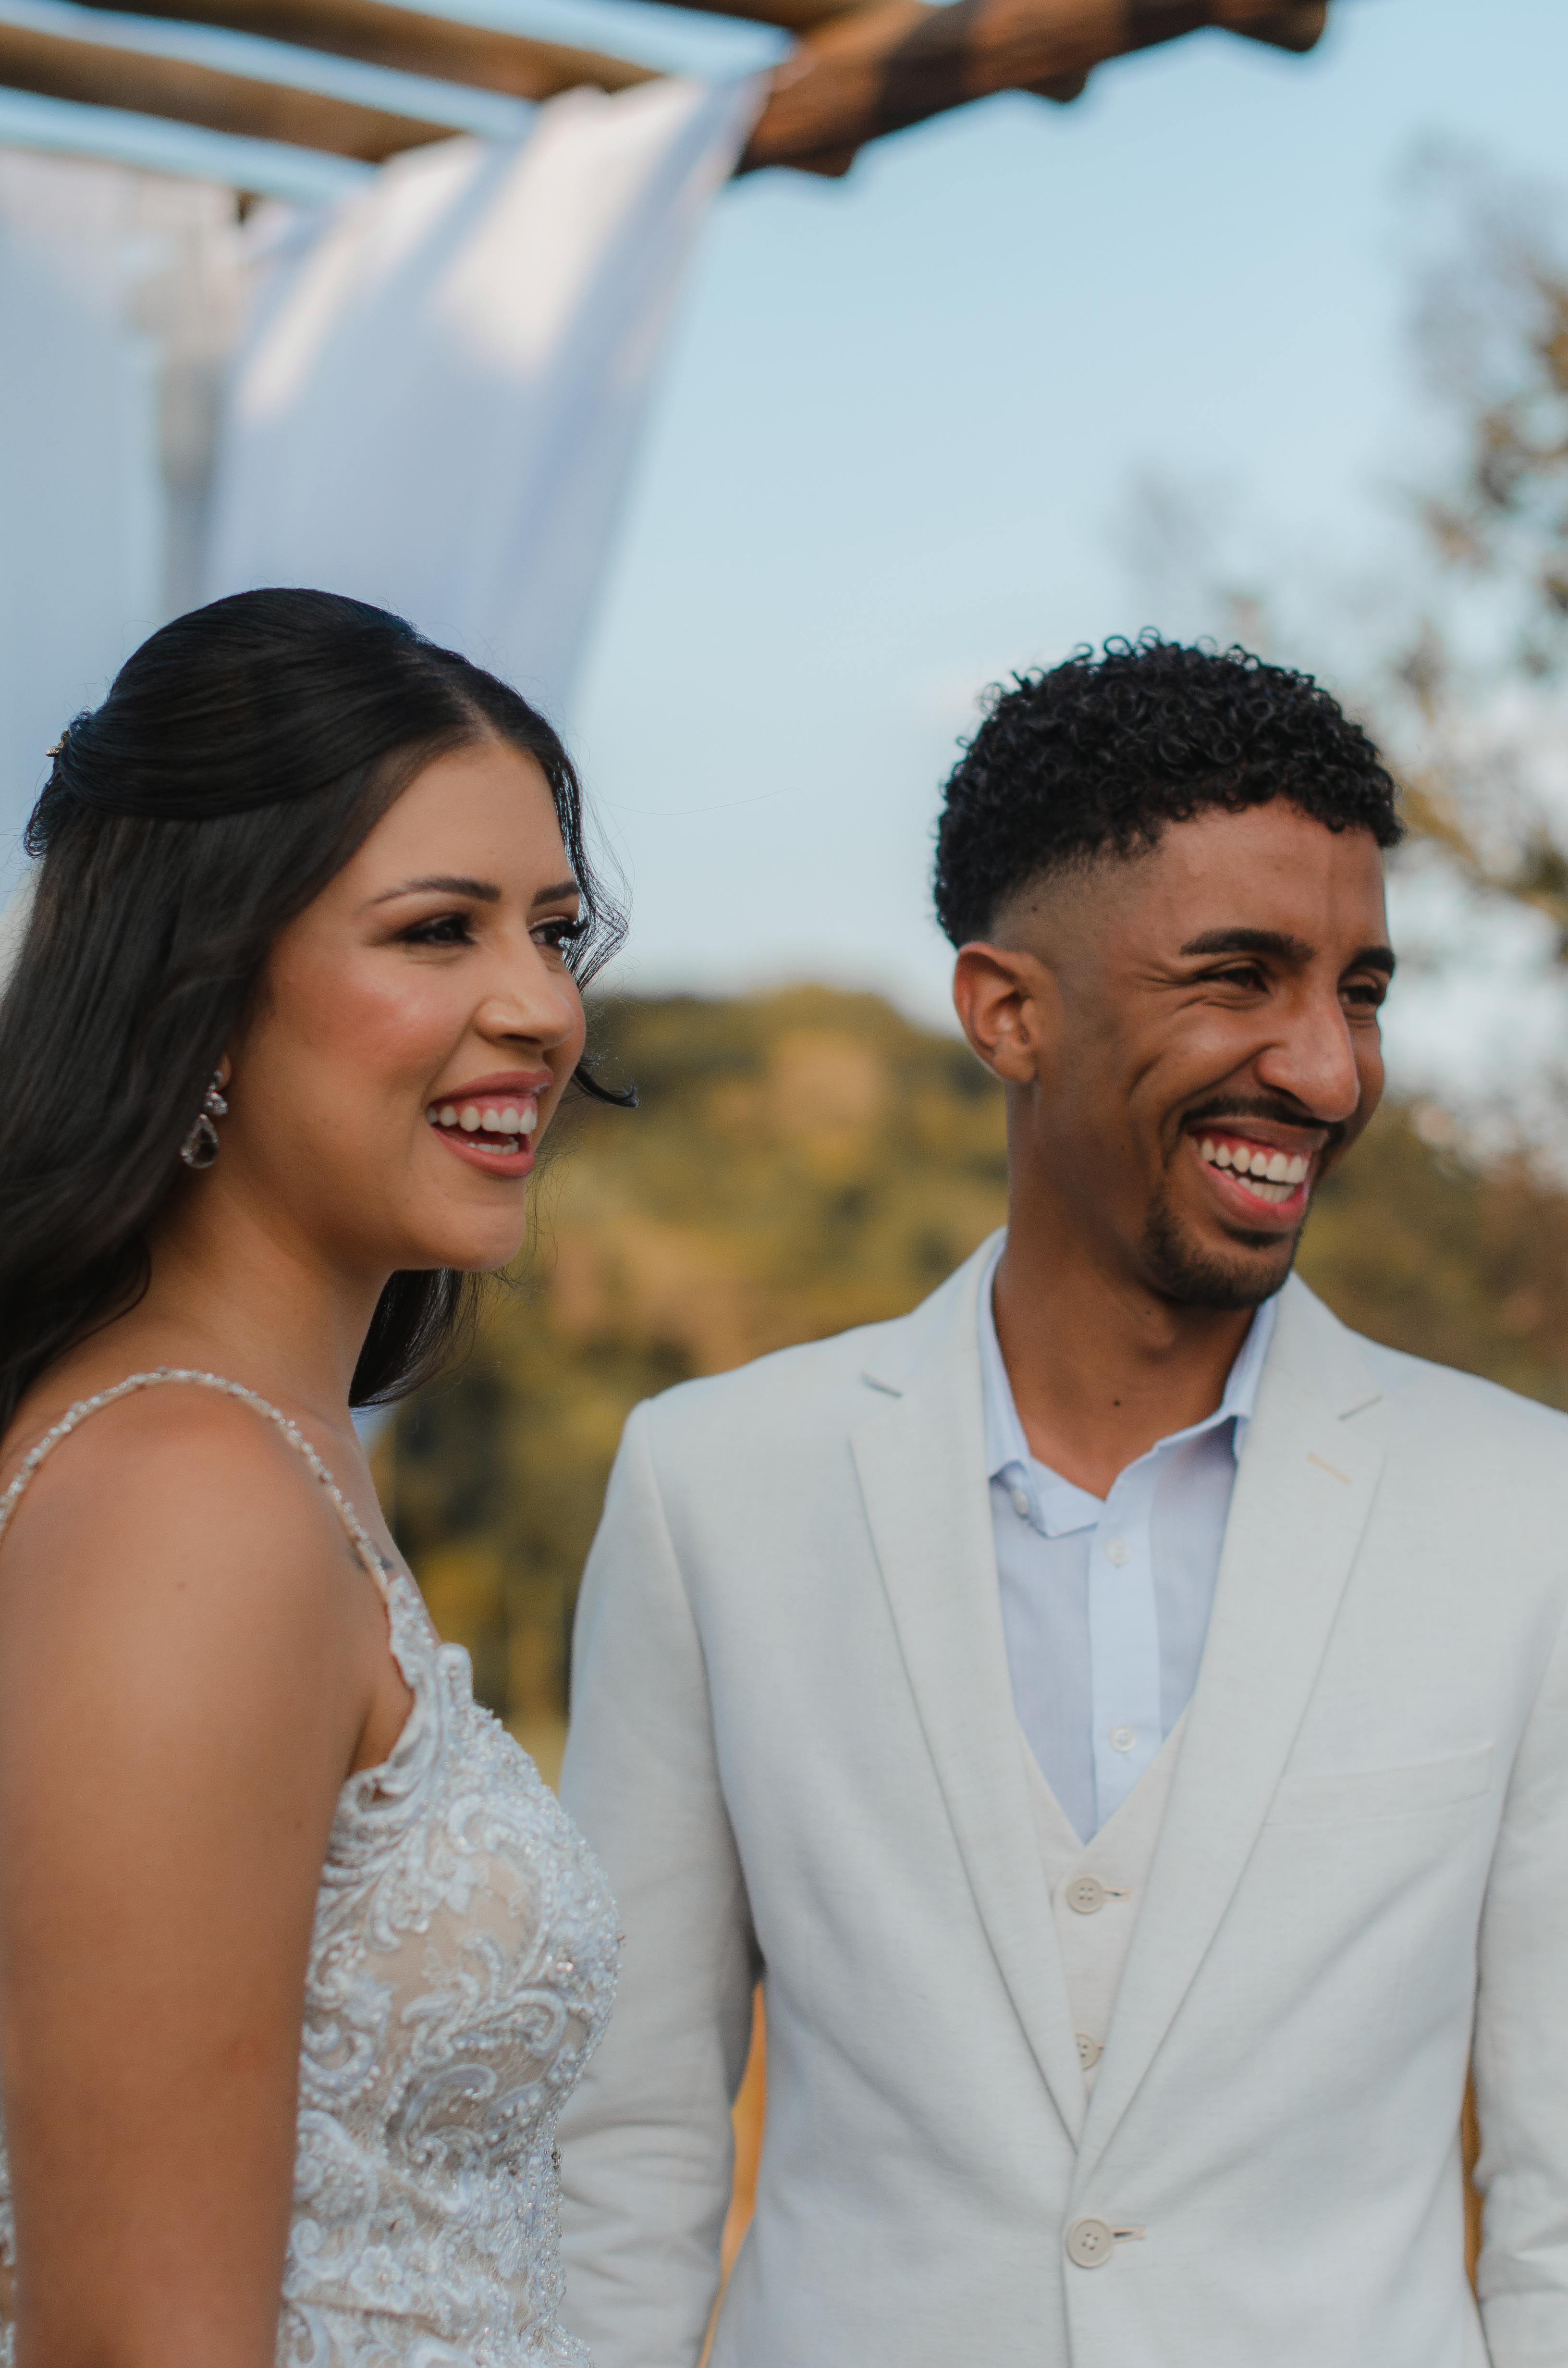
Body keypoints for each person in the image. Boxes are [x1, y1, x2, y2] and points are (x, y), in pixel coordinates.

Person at [557, 636, 1568, 2368]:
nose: (1328, 1073)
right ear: (1006, 1011)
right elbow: (625, 2154)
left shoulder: (1527, 1511)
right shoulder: (711, 1489)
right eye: (1240, 977)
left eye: (1364, 992)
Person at [0, 589, 626, 2366]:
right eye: (437, 931)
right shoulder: (183, 1499)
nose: (539, 1010)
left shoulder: (273, 1460)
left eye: (552, 931)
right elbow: (135, 2343)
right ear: (203, 980)